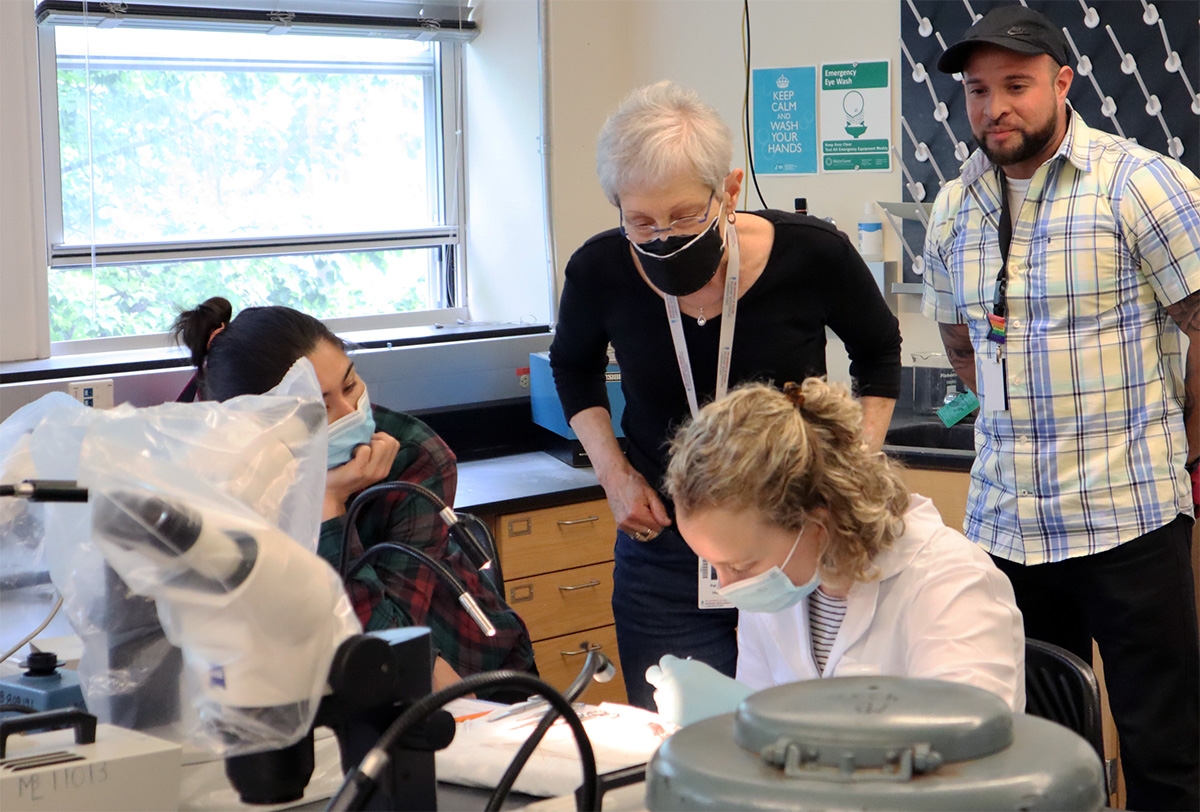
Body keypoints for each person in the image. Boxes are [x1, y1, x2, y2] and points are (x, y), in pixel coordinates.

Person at [922, 5, 1200, 809]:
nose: (994, 107)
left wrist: (1197, 452)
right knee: (1037, 761)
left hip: (1129, 519)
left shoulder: (1141, 183)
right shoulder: (953, 208)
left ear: (1063, 82)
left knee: (1164, 752)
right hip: (1006, 531)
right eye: (978, 91)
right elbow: (962, 341)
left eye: (1016, 85)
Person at [549, 81, 902, 709]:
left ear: (729, 190)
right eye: (641, 221)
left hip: (793, 540)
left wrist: (856, 467)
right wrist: (614, 475)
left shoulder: (811, 254)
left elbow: (878, 352)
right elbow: (572, 367)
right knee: (681, 742)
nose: (662, 237)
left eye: (684, 216)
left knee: (799, 731)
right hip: (665, 548)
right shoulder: (600, 270)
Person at [173, 297, 536, 695]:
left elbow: (385, 645)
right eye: (319, 407)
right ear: (253, 422)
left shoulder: (412, 458)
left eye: (350, 385)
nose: (350, 412)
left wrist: (329, 506)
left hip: (460, 663)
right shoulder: (204, 462)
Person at [644, 379, 1023, 726]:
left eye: (740, 566)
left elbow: (963, 758)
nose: (729, 586)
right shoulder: (785, 585)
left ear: (818, 524)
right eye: (715, 568)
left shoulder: (952, 584)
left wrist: (756, 718)